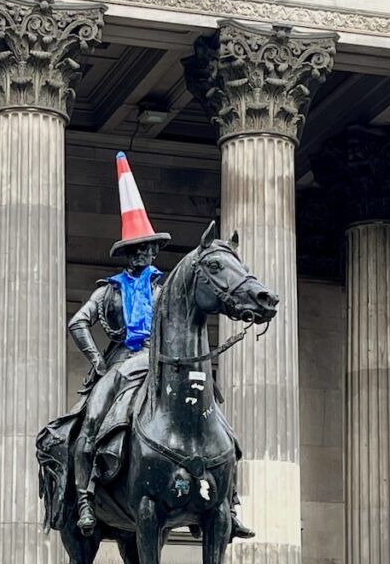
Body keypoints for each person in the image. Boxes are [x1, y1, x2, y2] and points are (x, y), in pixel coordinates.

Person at [69, 150, 254, 541]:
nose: (145, 254)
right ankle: (86, 496)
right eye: (137, 249)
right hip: (122, 362)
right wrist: (97, 361)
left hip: (162, 360)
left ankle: (228, 501)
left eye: (149, 248)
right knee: (92, 421)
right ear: (127, 253)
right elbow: (78, 322)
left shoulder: (164, 287)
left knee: (218, 419)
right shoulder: (110, 290)